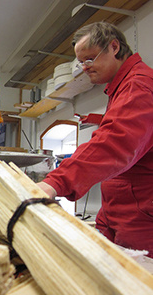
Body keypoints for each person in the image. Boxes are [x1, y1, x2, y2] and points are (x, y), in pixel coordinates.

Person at [37, 22, 153, 257]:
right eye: (81, 62)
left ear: (114, 47)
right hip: (121, 207)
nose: (84, 68)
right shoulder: (121, 87)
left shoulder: (139, 85)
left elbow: (115, 143)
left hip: (141, 215)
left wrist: (55, 183)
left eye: (89, 59)